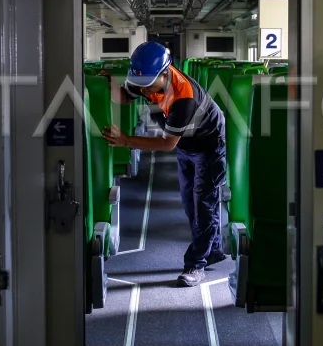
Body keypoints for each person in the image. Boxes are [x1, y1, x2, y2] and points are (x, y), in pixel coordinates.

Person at [98, 41, 228, 286]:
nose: (144, 90)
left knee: (203, 204)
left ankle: (196, 264)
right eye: (140, 85)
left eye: (148, 86)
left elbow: (167, 144)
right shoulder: (145, 78)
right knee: (191, 203)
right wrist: (111, 84)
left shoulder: (184, 97)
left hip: (208, 145)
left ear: (165, 74)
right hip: (185, 144)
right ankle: (213, 249)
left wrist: (126, 140)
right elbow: (125, 97)